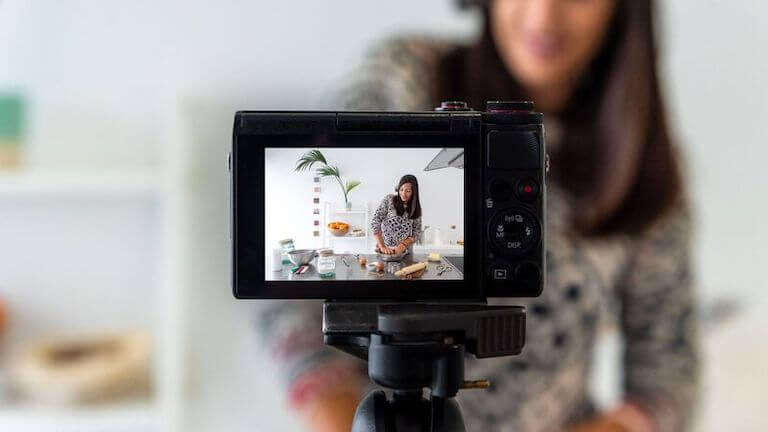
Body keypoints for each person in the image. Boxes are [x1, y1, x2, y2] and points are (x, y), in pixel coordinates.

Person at [256, 1, 698, 431]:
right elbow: (291, 275)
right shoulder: (408, 80)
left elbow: (666, 375)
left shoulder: (637, 159)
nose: (544, 15)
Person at [371, 174, 423, 256]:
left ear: (414, 192)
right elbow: (375, 221)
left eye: (408, 191)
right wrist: (382, 246)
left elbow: (417, 232)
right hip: (386, 249)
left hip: (405, 251)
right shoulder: (389, 200)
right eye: (401, 189)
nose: (403, 193)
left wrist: (403, 245)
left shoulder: (416, 208)